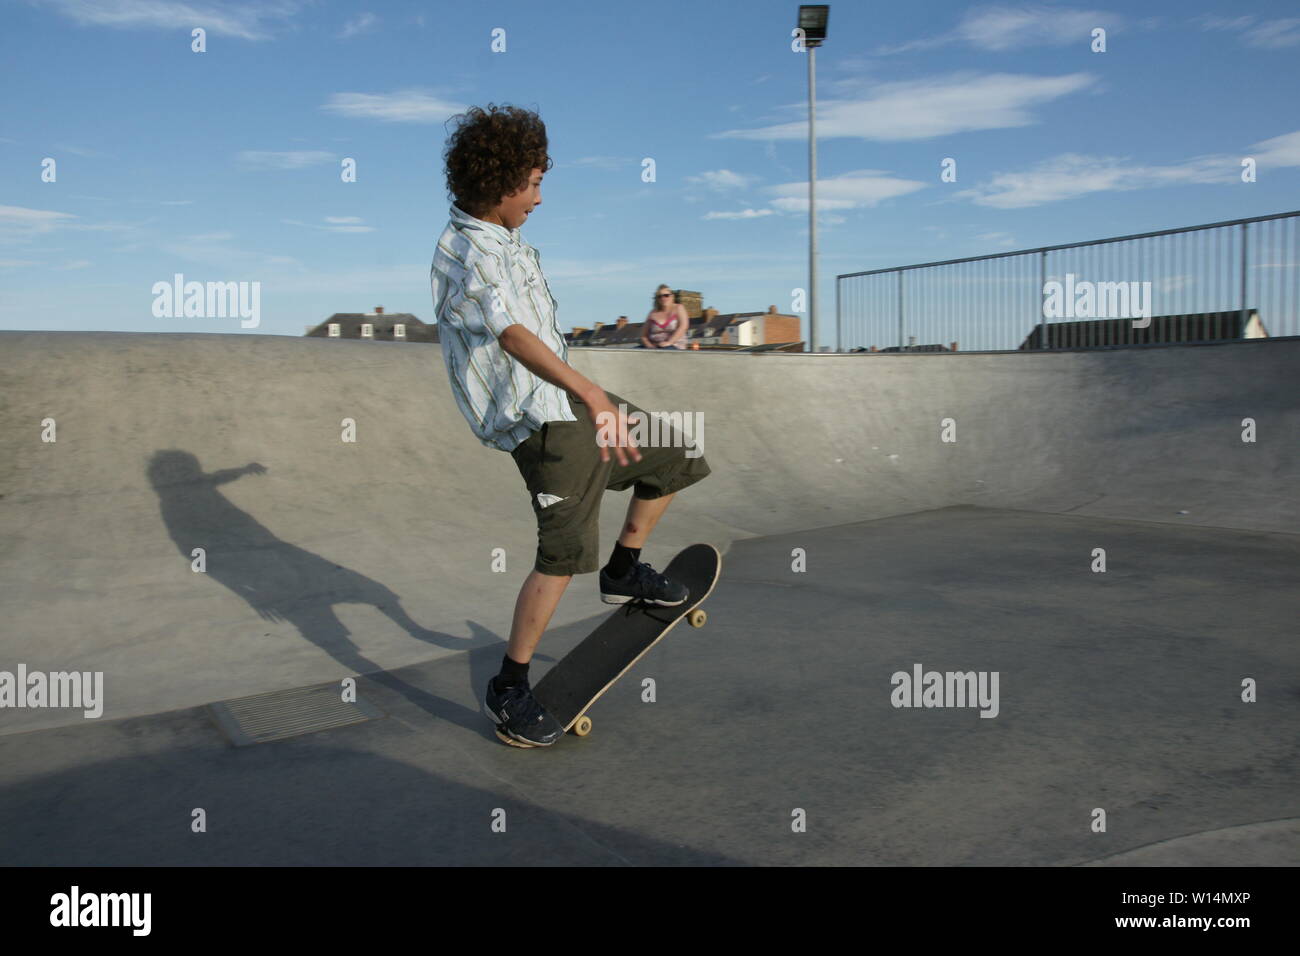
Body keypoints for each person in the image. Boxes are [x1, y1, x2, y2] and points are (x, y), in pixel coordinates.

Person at [430, 104, 712, 748]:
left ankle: (625, 568)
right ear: (499, 184)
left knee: (673, 455)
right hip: (539, 422)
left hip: (571, 402)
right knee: (560, 554)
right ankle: (510, 686)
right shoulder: (464, 251)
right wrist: (589, 391)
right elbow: (511, 332)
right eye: (532, 184)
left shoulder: (510, 242)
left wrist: (589, 397)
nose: (538, 198)